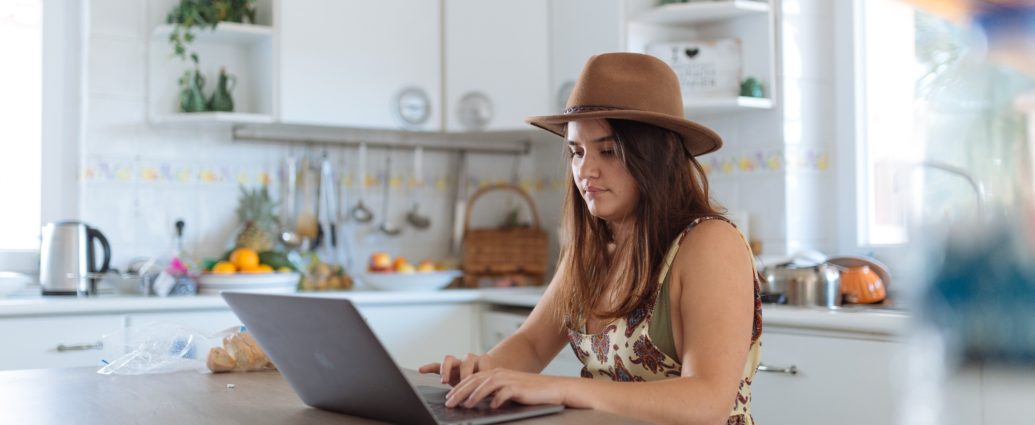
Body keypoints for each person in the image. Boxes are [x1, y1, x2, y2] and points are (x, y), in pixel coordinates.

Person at [419, 52, 763, 425]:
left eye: (608, 150)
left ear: (658, 154)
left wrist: (559, 388)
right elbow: (532, 345)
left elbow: (707, 403)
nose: (585, 169)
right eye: (576, 151)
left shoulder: (710, 243)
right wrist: (482, 374)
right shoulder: (592, 251)